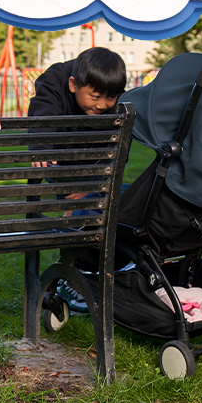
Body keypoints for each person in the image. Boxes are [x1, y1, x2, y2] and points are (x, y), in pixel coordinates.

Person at [27, 46, 127, 313]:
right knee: (83, 212)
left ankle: (82, 273)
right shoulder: (54, 83)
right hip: (61, 161)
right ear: (73, 85)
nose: (103, 105)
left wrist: (93, 184)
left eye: (110, 98)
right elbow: (42, 118)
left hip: (96, 166)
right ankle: (74, 276)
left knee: (114, 202)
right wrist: (39, 145)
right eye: (95, 96)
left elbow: (118, 150)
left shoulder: (108, 97)